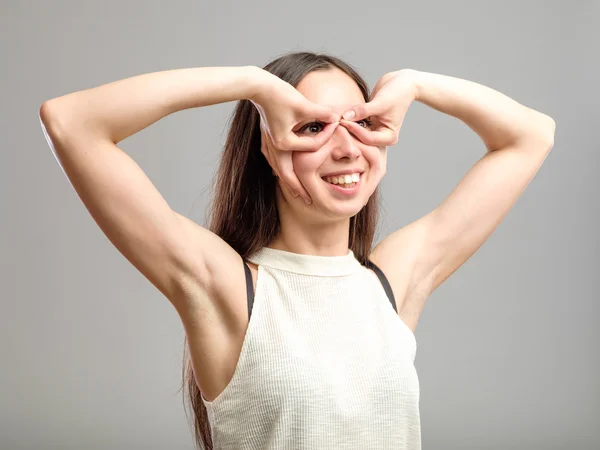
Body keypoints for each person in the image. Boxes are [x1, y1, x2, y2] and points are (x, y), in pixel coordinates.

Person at [39, 51, 555, 450]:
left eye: (363, 123)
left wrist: (416, 84)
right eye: (313, 127)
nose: (348, 147)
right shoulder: (226, 284)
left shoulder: (392, 279)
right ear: (268, 146)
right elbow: (71, 121)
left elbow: (532, 135)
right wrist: (252, 84)